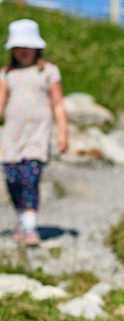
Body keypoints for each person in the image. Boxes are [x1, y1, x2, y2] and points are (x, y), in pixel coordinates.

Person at [0, 19, 68, 248]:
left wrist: (63, 133)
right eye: (19, 48)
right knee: (12, 179)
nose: (23, 52)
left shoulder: (47, 72)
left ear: (37, 47)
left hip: (37, 136)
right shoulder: (6, 74)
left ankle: (30, 227)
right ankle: (21, 219)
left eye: (27, 47)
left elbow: (58, 104)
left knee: (30, 178)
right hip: (11, 137)